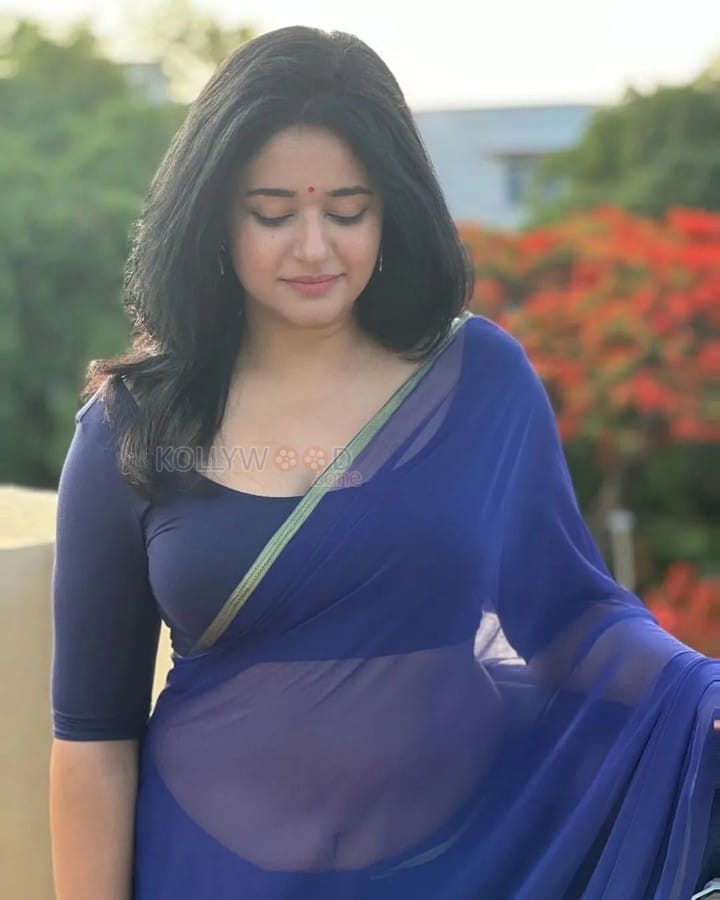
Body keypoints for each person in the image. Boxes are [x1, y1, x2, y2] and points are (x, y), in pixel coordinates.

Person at [48, 24, 720, 900]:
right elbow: (94, 740)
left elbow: (568, 619)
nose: (314, 247)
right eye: (274, 213)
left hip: (469, 868)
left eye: (348, 211)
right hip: (208, 876)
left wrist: (705, 698)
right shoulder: (132, 425)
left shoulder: (476, 381)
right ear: (213, 215)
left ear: (391, 210)